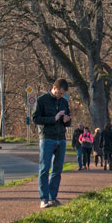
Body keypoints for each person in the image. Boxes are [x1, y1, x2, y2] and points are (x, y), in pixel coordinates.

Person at [32, 78, 72, 208]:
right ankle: (43, 198)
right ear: (54, 88)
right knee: (44, 168)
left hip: (61, 138)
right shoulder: (42, 100)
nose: (61, 96)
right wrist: (53, 118)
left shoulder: (64, 102)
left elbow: (69, 120)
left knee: (57, 170)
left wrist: (67, 120)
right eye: (59, 93)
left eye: (63, 94)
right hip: (47, 137)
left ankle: (52, 197)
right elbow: (35, 118)